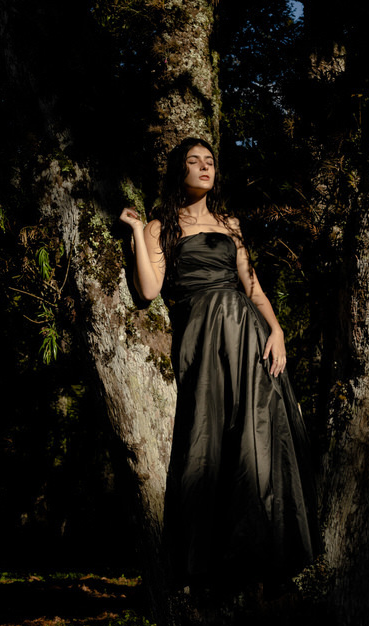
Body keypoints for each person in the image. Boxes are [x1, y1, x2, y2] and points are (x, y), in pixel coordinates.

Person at [119, 137, 316, 590]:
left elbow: (252, 286)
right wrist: (136, 232)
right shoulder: (160, 226)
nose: (204, 167)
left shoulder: (230, 224)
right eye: (194, 161)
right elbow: (148, 290)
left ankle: (266, 550)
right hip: (203, 332)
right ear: (179, 171)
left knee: (256, 431)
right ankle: (208, 559)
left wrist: (277, 330)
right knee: (208, 432)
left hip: (248, 333)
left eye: (209, 161)